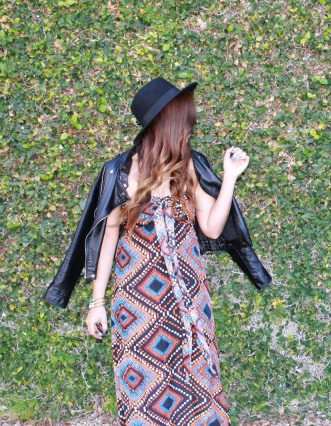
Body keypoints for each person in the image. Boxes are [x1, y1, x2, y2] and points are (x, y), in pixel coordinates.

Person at [83, 78, 248, 425]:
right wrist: (97, 303)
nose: (190, 126)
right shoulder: (121, 172)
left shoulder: (188, 167)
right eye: (184, 120)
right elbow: (107, 237)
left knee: (198, 382)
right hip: (139, 306)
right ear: (166, 123)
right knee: (146, 392)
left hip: (189, 300)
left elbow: (212, 228)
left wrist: (230, 177)